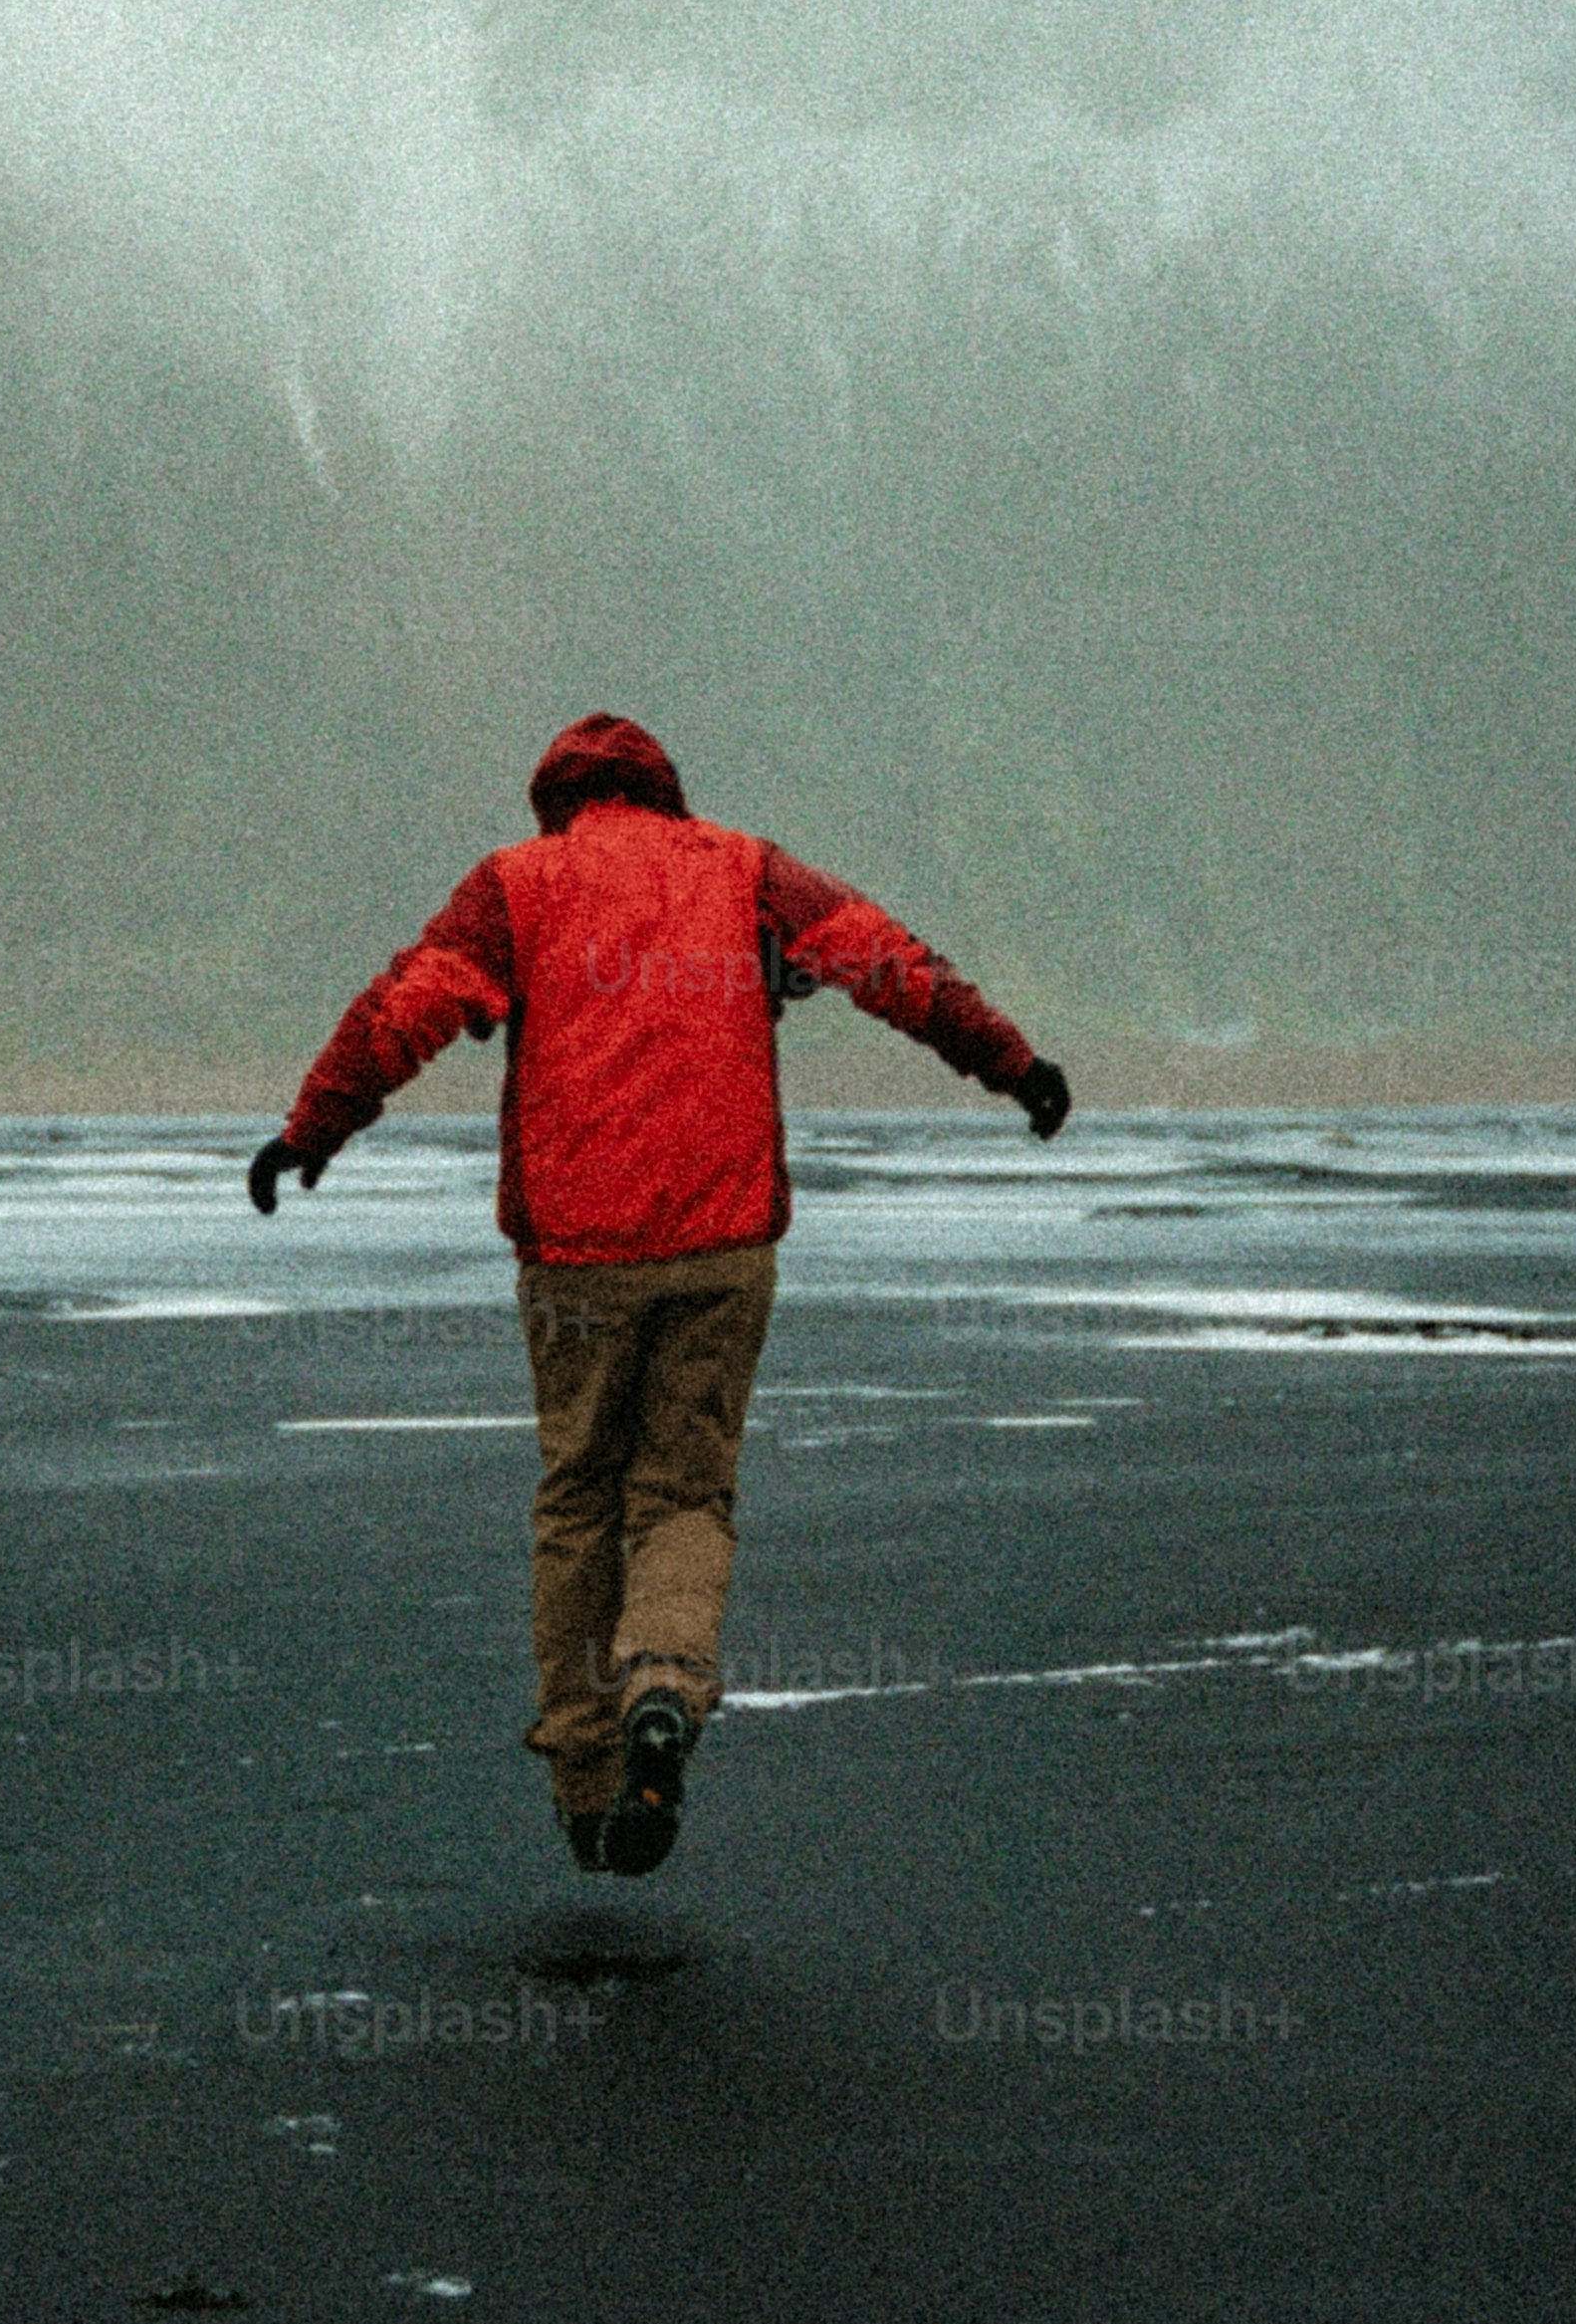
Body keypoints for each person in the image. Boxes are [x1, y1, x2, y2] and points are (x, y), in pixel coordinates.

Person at [247, 713, 1069, 1875]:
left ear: (558, 798)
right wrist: (1013, 1064)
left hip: (577, 1258)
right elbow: (891, 961)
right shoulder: (743, 871)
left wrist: (312, 1129)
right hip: (721, 1247)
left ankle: (588, 1787)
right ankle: (663, 1697)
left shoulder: (516, 885)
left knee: (580, 1495)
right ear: (663, 791)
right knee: (684, 1490)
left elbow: (408, 1007)